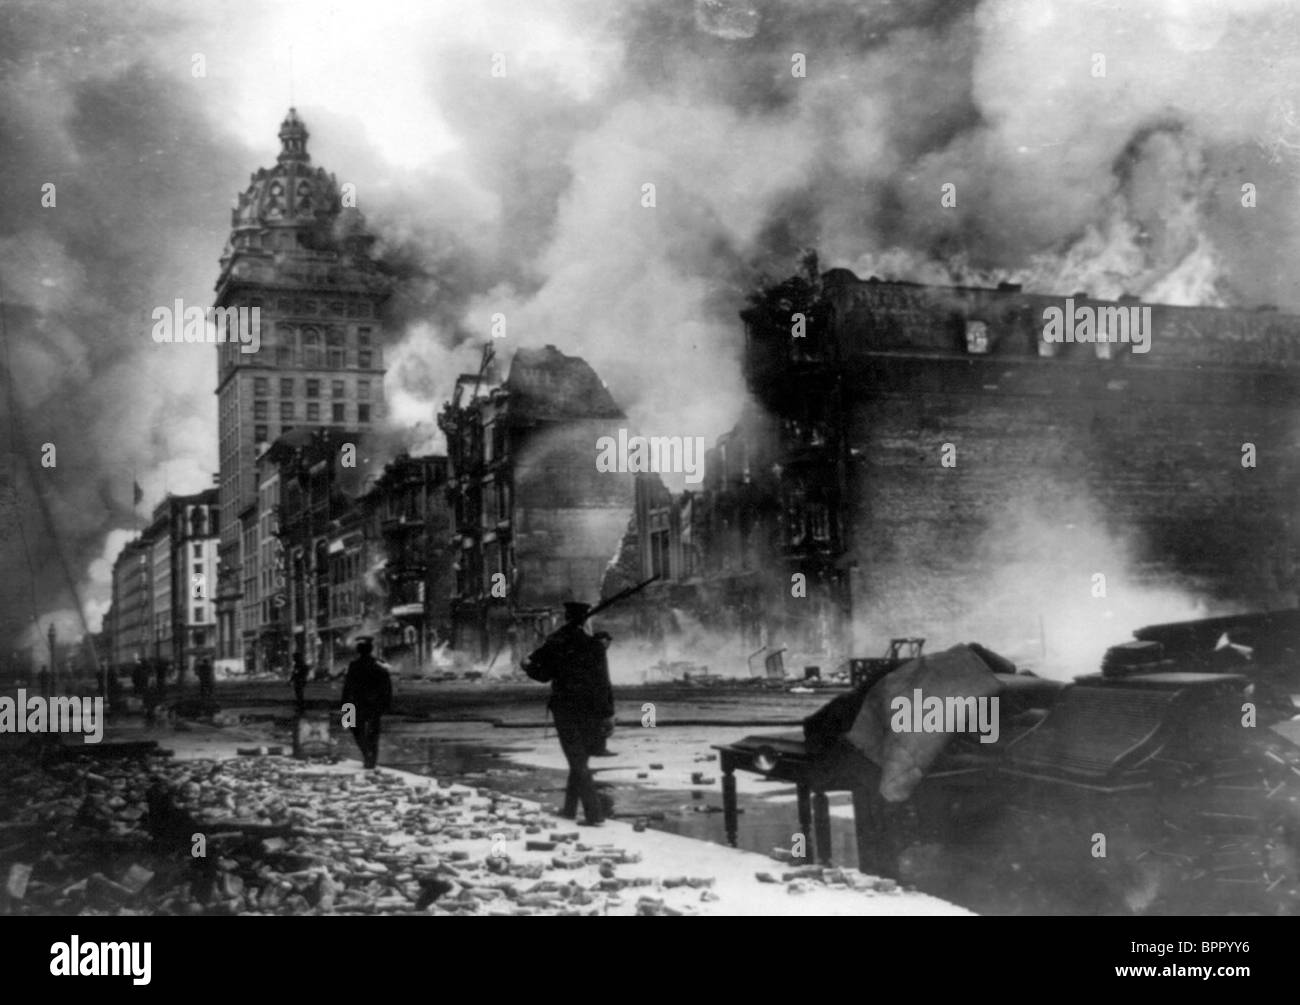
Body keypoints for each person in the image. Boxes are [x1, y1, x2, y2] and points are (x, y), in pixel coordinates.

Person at [522, 603, 616, 825]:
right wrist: (608, 714)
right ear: (585, 621)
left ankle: (594, 815)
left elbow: (543, 674)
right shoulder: (595, 646)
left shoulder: (557, 642)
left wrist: (526, 667)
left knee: (576, 760)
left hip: (565, 708)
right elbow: (604, 683)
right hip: (591, 710)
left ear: (566, 617)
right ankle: (569, 810)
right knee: (580, 759)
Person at [341, 638, 391, 769]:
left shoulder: (354, 665)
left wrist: (345, 705)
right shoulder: (379, 665)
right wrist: (386, 703)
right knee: (373, 733)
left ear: (359, 651)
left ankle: (366, 753)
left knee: (355, 728)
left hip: (356, 703)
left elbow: (348, 686)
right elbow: (387, 686)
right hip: (375, 704)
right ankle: (371, 760)